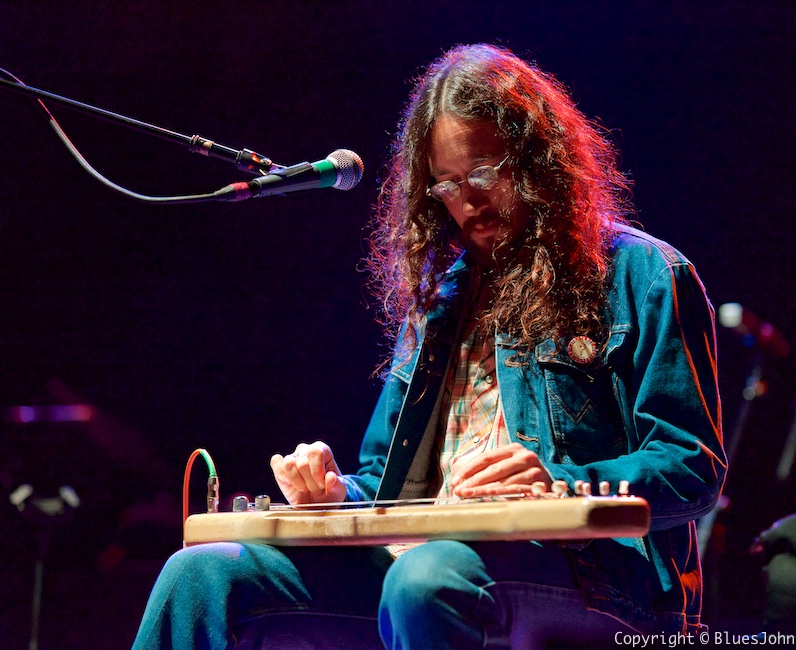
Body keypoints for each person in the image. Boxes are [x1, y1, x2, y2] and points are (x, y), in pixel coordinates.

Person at [133, 43, 725, 649]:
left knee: (426, 577)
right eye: (446, 185)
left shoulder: (643, 273)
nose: (466, 200)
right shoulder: (440, 304)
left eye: (485, 174)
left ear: (538, 158)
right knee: (202, 573)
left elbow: (692, 465)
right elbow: (387, 486)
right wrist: (336, 493)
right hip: (421, 566)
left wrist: (558, 483)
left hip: (593, 581)